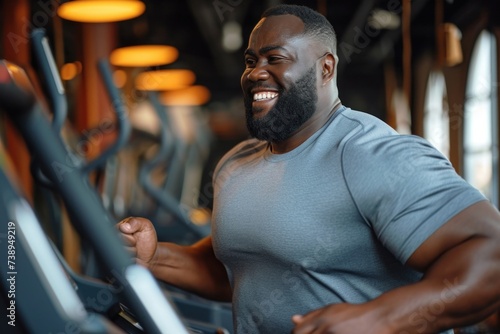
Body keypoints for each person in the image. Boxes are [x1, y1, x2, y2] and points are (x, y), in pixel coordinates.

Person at [118, 4, 500, 334]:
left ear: (326, 68)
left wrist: (382, 319)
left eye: (275, 58)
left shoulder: (374, 155)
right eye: (251, 61)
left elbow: (491, 254)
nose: (255, 73)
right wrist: (156, 258)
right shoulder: (235, 163)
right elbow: (242, 271)